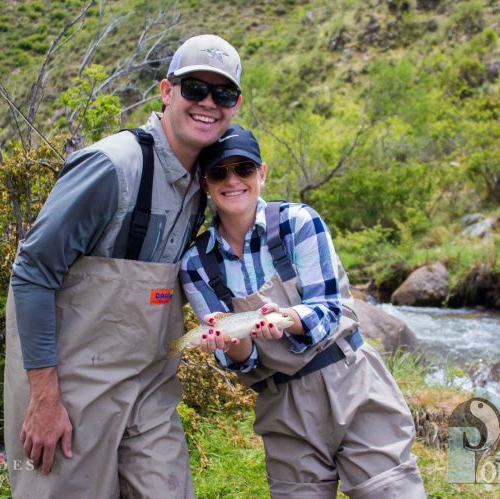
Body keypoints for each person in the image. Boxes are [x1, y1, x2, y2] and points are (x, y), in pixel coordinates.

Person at [3, 34, 243, 498]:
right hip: (72, 385)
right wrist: (45, 397)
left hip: (150, 387)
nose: (208, 103)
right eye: (195, 88)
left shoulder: (207, 182)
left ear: (235, 104)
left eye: (223, 94)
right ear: (166, 90)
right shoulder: (111, 167)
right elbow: (32, 273)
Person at [180, 125, 426, 498]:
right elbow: (241, 362)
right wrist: (229, 343)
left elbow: (328, 309)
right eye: (218, 173)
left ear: (261, 173)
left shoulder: (297, 223)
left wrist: (286, 319)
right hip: (282, 404)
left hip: (350, 379)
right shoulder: (196, 262)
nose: (232, 181)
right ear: (205, 183)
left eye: (243, 169)